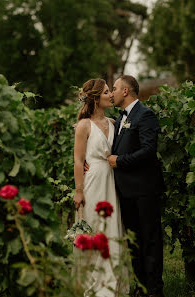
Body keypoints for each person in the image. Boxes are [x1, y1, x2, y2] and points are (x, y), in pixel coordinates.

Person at [108, 75, 165, 297]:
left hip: (144, 190)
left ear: (125, 91)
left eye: (114, 88)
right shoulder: (120, 118)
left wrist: (119, 161)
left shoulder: (145, 114)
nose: (111, 93)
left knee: (150, 240)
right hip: (126, 191)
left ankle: (154, 291)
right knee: (134, 243)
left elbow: (148, 150)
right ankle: (140, 288)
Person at [73, 78, 127, 297]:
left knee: (112, 229)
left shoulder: (114, 123)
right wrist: (79, 191)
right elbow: (78, 161)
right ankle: (91, 286)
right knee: (94, 228)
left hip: (112, 180)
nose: (110, 95)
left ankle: (112, 286)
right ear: (96, 97)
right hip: (93, 180)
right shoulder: (84, 125)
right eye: (106, 92)